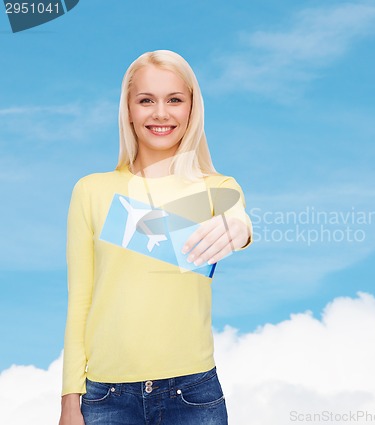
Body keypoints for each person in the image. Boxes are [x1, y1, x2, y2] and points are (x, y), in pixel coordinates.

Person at [58, 50, 252, 425]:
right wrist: (69, 400)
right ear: (128, 109)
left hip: (193, 396)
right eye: (146, 100)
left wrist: (239, 228)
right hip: (106, 398)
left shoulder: (216, 189)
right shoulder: (92, 191)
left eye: (174, 100)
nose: (160, 113)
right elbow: (79, 301)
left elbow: (235, 215)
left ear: (192, 109)